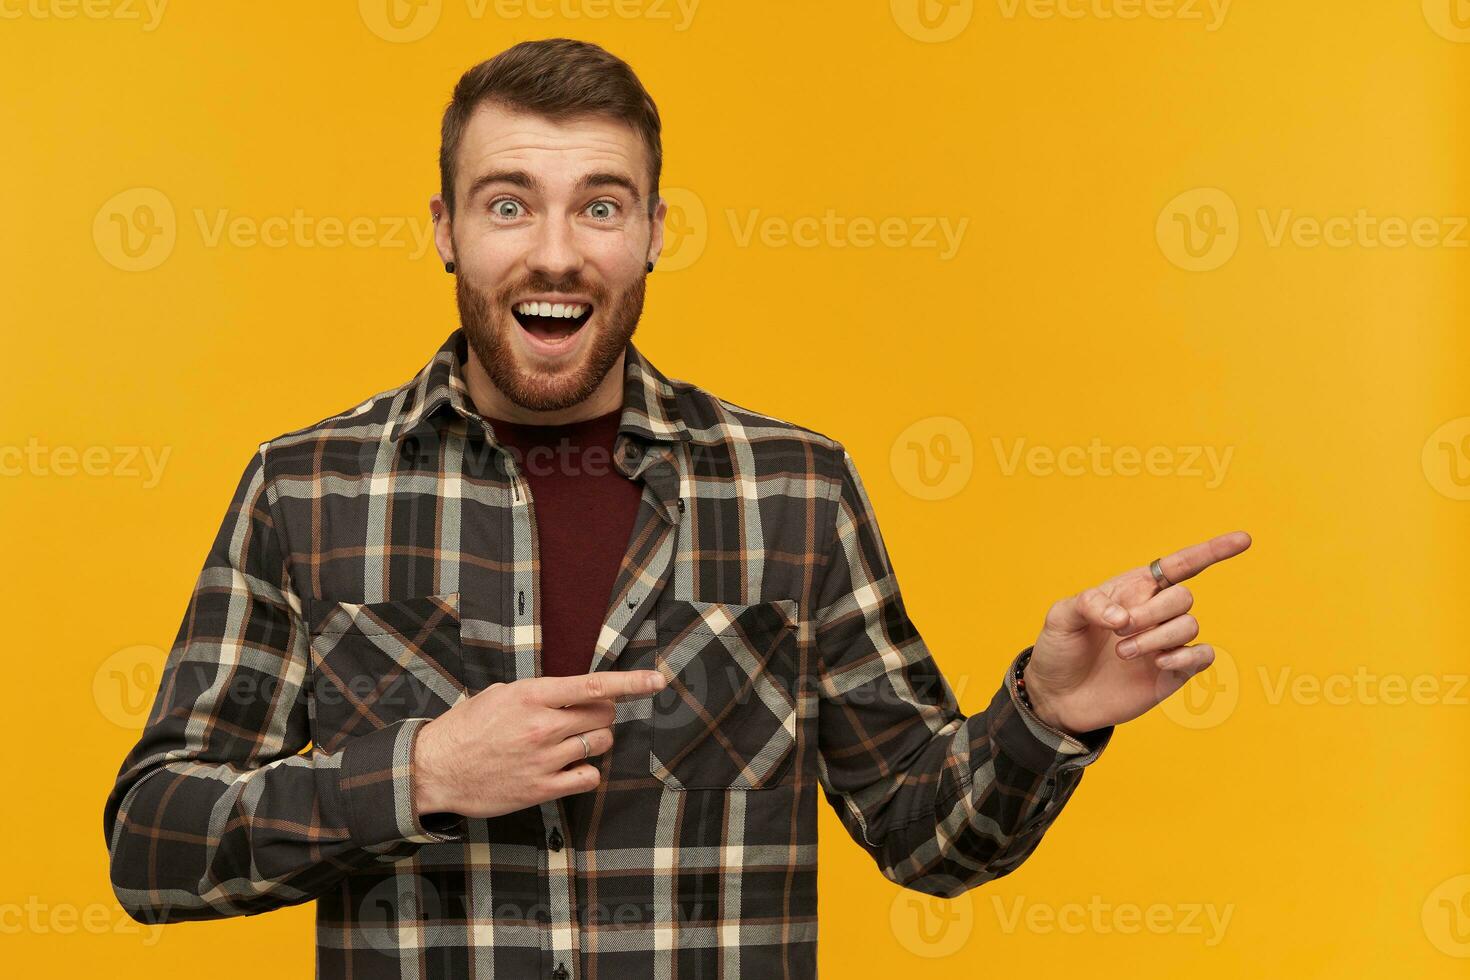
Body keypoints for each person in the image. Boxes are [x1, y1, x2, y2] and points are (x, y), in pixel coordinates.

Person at [102, 37, 1251, 979]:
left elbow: (926, 833)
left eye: (600, 208)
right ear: (446, 228)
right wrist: (420, 773)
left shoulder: (794, 490)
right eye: (509, 205)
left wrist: (1047, 713)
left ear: (655, 231)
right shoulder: (307, 488)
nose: (555, 253)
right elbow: (154, 844)